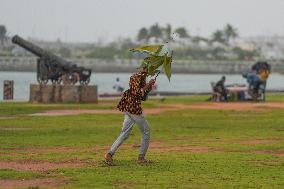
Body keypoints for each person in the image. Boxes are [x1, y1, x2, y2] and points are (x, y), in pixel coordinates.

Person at [104, 66, 156, 165]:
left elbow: (143, 96)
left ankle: (109, 154)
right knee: (146, 131)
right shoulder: (136, 77)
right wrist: (147, 85)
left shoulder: (142, 77)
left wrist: (149, 87)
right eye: (150, 69)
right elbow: (137, 92)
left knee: (125, 133)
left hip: (129, 107)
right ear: (146, 68)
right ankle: (141, 158)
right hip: (133, 108)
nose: (150, 72)